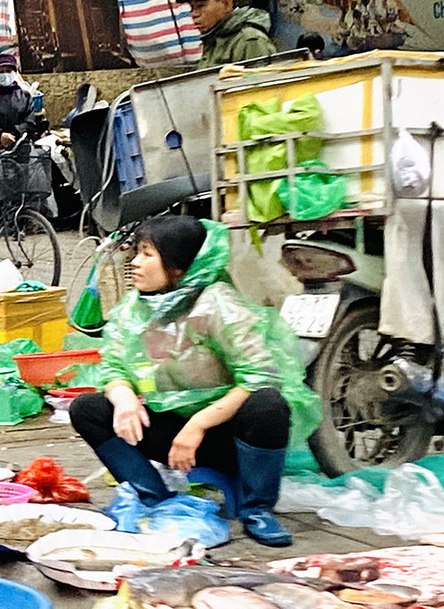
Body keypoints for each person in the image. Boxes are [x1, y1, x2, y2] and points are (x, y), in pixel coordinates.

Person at [69, 217, 319, 548]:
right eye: (137, 253)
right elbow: (113, 367)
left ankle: (257, 509)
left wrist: (198, 425)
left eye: (147, 254)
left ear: (178, 265)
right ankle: (155, 498)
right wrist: (124, 398)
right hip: (171, 431)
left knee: (269, 404)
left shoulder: (217, 303)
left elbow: (259, 375)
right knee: (87, 408)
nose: (135, 263)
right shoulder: (133, 308)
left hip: (226, 435)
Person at [179, 0, 276, 69]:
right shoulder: (213, 39)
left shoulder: (250, 40)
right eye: (192, 7)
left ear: (226, 4)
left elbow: (260, 80)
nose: (194, 14)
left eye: (200, 6)